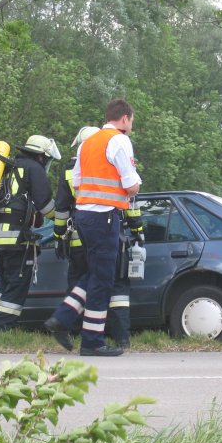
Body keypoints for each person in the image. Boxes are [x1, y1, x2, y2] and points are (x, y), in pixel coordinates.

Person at [45, 99, 141, 356]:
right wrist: (128, 186)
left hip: (84, 216)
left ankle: (63, 318)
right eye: (131, 120)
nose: (131, 125)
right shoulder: (120, 140)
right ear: (124, 118)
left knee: (95, 274)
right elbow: (131, 185)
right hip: (105, 216)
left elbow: (76, 182)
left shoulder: (88, 142)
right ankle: (92, 342)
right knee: (104, 279)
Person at [0, 135, 61, 331]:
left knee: (5, 284)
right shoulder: (34, 169)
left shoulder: (8, 167)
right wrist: (64, 218)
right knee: (17, 286)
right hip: (17, 239)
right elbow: (46, 206)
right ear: (41, 156)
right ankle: (2, 329)